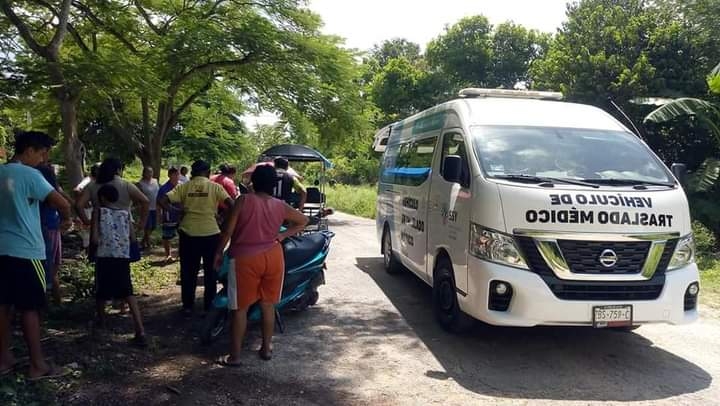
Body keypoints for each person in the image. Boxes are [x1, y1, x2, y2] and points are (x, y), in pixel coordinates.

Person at [215, 165, 308, 365]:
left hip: (245, 259)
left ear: (253, 182)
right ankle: (266, 349)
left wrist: (217, 253)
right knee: (268, 305)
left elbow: (227, 231)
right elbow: (303, 220)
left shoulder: (243, 200)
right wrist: (282, 235)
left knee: (240, 309)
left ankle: (235, 357)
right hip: (274, 258)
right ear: (273, 185)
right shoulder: (280, 205)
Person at [0, 131, 71, 380]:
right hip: (27, 252)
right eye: (41, 153)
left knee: (3, 306)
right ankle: (37, 365)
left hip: (1, 249)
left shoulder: (1, 171)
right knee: (30, 308)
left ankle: (4, 359)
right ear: (28, 150)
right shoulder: (30, 175)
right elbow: (62, 203)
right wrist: (66, 221)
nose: (43, 159)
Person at [159, 160, 234, 316]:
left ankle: (188, 306)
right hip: (210, 234)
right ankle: (209, 305)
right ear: (207, 173)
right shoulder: (215, 187)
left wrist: (176, 212)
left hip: (188, 233)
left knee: (188, 271)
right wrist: (221, 217)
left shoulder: (184, 186)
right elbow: (232, 205)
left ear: (193, 173)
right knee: (210, 271)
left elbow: (162, 200)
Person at [92, 184, 147, 347]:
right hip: (122, 256)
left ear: (102, 198)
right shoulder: (125, 214)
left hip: (104, 256)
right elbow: (132, 238)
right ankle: (140, 329)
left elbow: (94, 239)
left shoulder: (99, 212)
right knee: (128, 291)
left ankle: (101, 322)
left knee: (101, 291)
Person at [37, 164, 69, 304]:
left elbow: (64, 203)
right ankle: (55, 303)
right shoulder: (50, 191)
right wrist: (66, 219)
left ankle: (52, 303)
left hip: (48, 228)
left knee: (49, 268)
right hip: (50, 228)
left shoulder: (43, 191)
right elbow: (65, 204)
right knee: (52, 268)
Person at [157, 167, 181, 263]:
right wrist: (159, 216)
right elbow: (158, 203)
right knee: (167, 236)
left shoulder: (181, 186)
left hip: (181, 216)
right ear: (169, 175)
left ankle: (180, 254)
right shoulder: (164, 188)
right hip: (168, 216)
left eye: (177, 174)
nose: (176, 177)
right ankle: (168, 255)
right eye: (174, 174)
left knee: (183, 236)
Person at [73, 163, 99, 248]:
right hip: (87, 210)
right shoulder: (88, 180)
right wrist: (84, 202)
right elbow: (77, 189)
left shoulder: (96, 181)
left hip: (91, 209)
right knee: (87, 234)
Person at [136, 167, 159, 249]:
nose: (150, 174)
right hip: (145, 208)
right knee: (147, 226)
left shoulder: (155, 181)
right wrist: (139, 207)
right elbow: (138, 197)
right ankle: (148, 243)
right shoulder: (140, 184)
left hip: (155, 207)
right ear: (144, 173)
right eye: (148, 172)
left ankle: (143, 241)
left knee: (153, 226)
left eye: (151, 172)